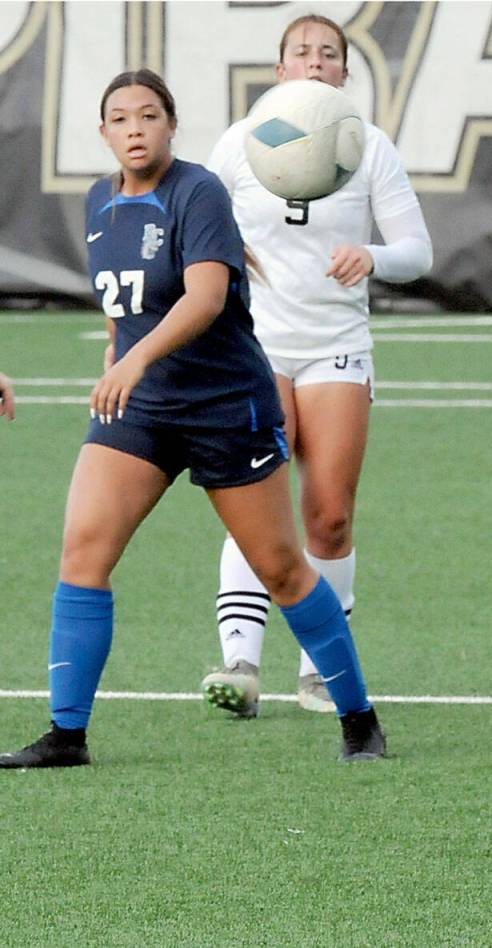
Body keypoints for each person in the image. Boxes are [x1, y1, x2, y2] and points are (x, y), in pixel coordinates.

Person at [0, 69, 385, 769]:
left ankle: (359, 718)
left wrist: (133, 360)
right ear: (104, 132)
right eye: (121, 118)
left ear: (171, 125)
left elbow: (206, 297)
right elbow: (125, 307)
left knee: (281, 569)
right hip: (140, 410)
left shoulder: (198, 191)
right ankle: (67, 734)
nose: (136, 128)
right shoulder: (99, 203)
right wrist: (119, 357)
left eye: (149, 115)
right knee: (83, 551)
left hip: (224, 407)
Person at [200, 13, 432, 717]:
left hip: (336, 345)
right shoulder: (241, 144)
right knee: (255, 502)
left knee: (328, 515)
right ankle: (240, 663)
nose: (314, 61)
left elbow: (417, 252)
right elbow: (198, 227)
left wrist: (372, 257)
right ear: (279, 71)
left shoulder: (369, 148)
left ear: (343, 74)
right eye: (300, 51)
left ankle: (317, 670)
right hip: (255, 344)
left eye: (328, 54)